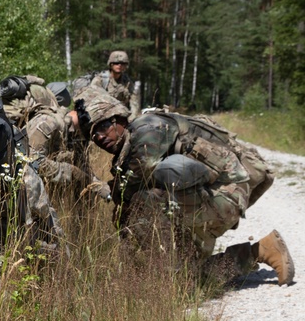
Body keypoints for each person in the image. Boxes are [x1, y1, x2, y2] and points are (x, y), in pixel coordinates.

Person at [82, 90, 295, 285]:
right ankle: (261, 251)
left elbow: (137, 179)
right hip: (204, 195)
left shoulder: (147, 128)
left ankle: (167, 273)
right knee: (191, 276)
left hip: (224, 194)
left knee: (142, 201)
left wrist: (111, 192)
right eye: (93, 135)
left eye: (103, 127)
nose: (99, 137)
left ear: (119, 119)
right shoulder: (129, 144)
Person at [25, 85, 112, 203]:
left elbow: (83, 170)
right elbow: (31, 159)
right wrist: (70, 171)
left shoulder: (75, 133)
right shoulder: (48, 123)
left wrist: (101, 187)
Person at [89, 50, 140, 121]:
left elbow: (134, 101)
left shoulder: (127, 81)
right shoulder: (100, 80)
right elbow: (92, 100)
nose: (119, 65)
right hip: (103, 117)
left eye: (123, 63)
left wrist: (133, 117)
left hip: (122, 116)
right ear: (111, 64)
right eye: (116, 63)